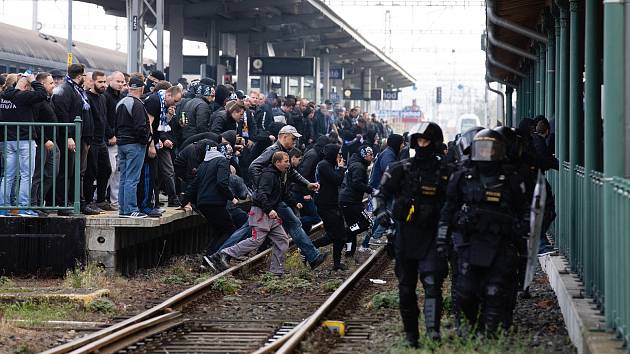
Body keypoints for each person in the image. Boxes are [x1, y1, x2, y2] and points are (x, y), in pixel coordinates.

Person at [437, 128, 528, 336]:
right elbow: (448, 209)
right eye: (482, 149)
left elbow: (524, 209)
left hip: (500, 244)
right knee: (466, 291)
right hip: (469, 243)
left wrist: (522, 230)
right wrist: (442, 238)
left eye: (491, 149)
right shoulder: (463, 176)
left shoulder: (511, 178)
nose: (486, 154)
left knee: (495, 291)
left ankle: (489, 334)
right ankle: (472, 323)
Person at [374, 122, 449, 346]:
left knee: (433, 283)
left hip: (433, 236)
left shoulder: (445, 172)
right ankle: (411, 336)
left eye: (426, 141)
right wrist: (383, 218)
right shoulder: (400, 168)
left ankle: (433, 332)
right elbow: (379, 195)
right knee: (406, 289)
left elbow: (454, 203)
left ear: (434, 143)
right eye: (419, 140)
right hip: (405, 236)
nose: (422, 145)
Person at [249, 125, 328, 269]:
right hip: (269, 198)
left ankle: (224, 254)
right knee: (292, 224)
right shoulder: (274, 151)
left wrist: (307, 184)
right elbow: (254, 167)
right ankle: (313, 256)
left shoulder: (284, 152)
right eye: (293, 139)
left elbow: (292, 173)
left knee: (288, 225)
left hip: (274, 198)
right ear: (284, 136)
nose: (295, 142)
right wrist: (263, 189)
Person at [205, 151, 296, 275]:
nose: (288, 164)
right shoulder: (268, 176)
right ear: (277, 162)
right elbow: (261, 195)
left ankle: (276, 271)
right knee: (256, 240)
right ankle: (224, 254)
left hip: (270, 214)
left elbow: (281, 194)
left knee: (282, 240)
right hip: (262, 212)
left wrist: (295, 203)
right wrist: (269, 210)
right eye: (286, 161)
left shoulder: (280, 175)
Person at [0, 73, 47, 216]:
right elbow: (42, 94)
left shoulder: (3, 97)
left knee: (8, 175)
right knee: (27, 175)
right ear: (26, 87)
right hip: (25, 140)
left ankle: (3, 208)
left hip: (9, 140)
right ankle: (24, 207)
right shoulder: (22, 96)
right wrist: (33, 80)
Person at [181, 143, 237, 258]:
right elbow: (222, 183)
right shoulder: (222, 161)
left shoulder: (204, 163)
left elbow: (194, 185)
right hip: (215, 202)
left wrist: (184, 201)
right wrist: (232, 197)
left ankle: (207, 259)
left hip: (203, 203)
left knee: (219, 231)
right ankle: (216, 257)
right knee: (230, 230)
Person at [52, 64, 91, 215]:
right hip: (68, 137)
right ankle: (63, 204)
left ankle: (74, 201)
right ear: (80, 76)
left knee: (75, 171)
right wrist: (68, 136)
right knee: (66, 170)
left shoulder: (75, 89)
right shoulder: (66, 90)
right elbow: (62, 114)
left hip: (77, 136)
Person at [115, 77, 150, 218]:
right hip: (134, 144)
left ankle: (123, 209)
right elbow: (140, 127)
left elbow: (115, 124)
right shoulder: (137, 104)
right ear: (141, 89)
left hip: (121, 144)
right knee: (132, 178)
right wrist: (145, 141)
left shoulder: (120, 103)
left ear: (129, 88)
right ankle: (131, 209)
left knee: (123, 177)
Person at [363, 133, 404, 247]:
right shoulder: (388, 155)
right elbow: (390, 171)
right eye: (402, 143)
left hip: (383, 188)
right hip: (379, 189)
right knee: (389, 212)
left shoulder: (390, 152)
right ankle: (374, 237)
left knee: (384, 214)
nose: (403, 145)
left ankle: (369, 241)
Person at [314, 143, 348, 270]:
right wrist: (341, 168)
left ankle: (337, 263)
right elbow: (337, 180)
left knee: (341, 235)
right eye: (338, 153)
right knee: (334, 235)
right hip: (325, 205)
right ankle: (309, 248)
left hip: (332, 204)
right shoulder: (324, 165)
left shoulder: (328, 165)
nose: (340, 156)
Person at [31, 72, 60, 215]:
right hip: (42, 143)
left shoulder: (49, 99)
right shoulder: (37, 101)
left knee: (51, 174)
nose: (54, 85)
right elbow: (34, 122)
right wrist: (43, 140)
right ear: (42, 84)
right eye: (51, 83)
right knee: (37, 175)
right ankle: (34, 204)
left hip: (53, 142)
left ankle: (40, 201)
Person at [84, 71, 113, 212]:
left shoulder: (102, 98)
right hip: (92, 140)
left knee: (106, 169)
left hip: (101, 140)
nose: (103, 85)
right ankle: (88, 201)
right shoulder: (87, 98)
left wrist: (109, 134)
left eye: (104, 82)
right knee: (91, 171)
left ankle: (101, 200)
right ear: (93, 81)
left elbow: (104, 118)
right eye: (100, 82)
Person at [339, 145, 374, 257]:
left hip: (348, 200)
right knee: (367, 222)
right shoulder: (359, 166)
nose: (372, 157)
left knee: (353, 225)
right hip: (351, 201)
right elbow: (356, 183)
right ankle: (346, 232)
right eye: (370, 155)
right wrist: (371, 190)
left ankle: (349, 253)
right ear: (364, 155)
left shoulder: (356, 164)